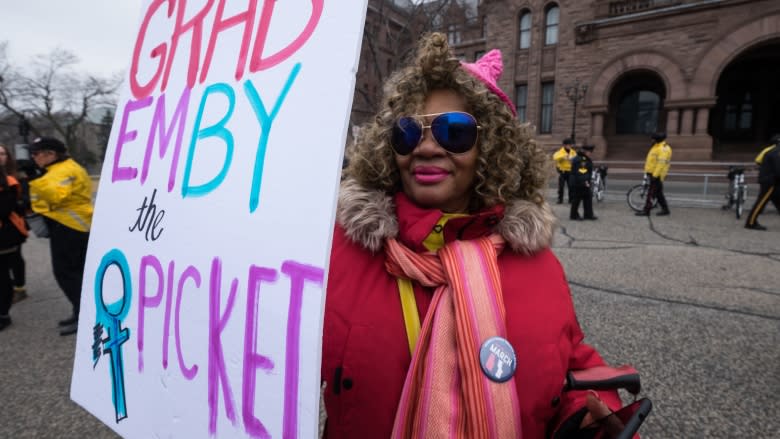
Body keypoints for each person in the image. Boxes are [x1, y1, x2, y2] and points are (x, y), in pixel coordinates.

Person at [322, 33, 622, 438]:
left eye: (454, 131)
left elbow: (569, 368)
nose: (426, 148)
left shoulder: (536, 264)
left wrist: (591, 422)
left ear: (492, 147)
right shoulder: (339, 251)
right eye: (408, 132)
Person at [27, 137, 93, 336]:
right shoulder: (61, 169)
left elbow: (56, 195)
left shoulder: (63, 170)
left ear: (51, 154)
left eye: (36, 154)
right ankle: (80, 312)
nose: (34, 158)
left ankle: (84, 316)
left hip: (70, 226)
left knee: (67, 273)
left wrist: (33, 179)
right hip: (70, 225)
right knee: (75, 273)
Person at [0, 144, 29, 303]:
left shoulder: (16, 176)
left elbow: (25, 199)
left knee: (16, 256)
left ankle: (19, 287)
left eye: (3, 154)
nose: (0, 157)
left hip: (15, 222)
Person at [745, 135, 780, 230]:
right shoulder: (776, 152)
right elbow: (778, 169)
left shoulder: (773, 151)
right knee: (760, 203)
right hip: (770, 181)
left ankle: (751, 222)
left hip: (772, 180)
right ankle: (750, 223)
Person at [636, 131, 672, 216]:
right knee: (659, 194)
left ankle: (646, 210)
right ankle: (665, 209)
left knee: (651, 193)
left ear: (657, 139)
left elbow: (661, 164)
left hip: (656, 175)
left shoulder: (663, 149)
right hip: (652, 173)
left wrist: (655, 175)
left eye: (653, 139)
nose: (651, 140)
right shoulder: (656, 146)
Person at [570, 144, 597, 221]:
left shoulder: (582, 158)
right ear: (586, 152)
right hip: (578, 182)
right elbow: (582, 172)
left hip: (580, 181)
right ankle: (574, 215)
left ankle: (588, 214)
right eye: (590, 152)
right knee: (577, 199)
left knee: (587, 198)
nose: (590, 153)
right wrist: (585, 182)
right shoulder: (582, 160)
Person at [553, 138, 576, 204]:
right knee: (561, 186)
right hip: (562, 171)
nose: (569, 146)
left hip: (570, 171)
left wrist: (572, 160)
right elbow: (555, 157)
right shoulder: (560, 152)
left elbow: (576, 159)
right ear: (564, 145)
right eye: (568, 145)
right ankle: (560, 199)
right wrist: (563, 157)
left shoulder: (573, 152)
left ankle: (571, 199)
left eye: (570, 145)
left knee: (571, 186)